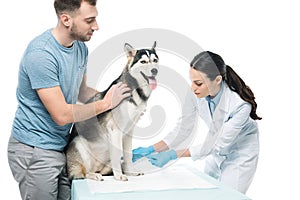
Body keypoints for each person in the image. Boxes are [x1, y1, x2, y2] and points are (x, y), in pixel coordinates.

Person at [7, 0, 130, 199]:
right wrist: (106, 103)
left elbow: (81, 93)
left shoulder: (80, 48)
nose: (96, 26)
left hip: (62, 146)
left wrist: (118, 106)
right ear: (66, 19)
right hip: (35, 150)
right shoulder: (41, 55)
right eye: (89, 20)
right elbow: (62, 115)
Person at [132, 51, 261, 194]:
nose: (193, 87)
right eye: (192, 81)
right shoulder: (196, 93)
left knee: (229, 195)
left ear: (218, 80)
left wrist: (173, 154)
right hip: (215, 153)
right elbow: (183, 129)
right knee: (207, 192)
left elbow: (218, 144)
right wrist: (151, 149)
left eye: (198, 83)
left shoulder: (240, 105)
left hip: (240, 154)